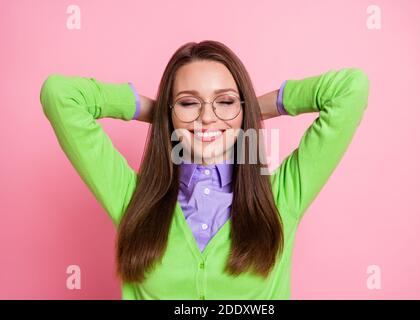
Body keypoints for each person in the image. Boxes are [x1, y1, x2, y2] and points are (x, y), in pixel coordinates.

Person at [39, 40, 370, 300]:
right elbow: (60, 95)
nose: (207, 117)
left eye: (225, 101)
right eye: (187, 102)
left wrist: (254, 109)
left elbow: (350, 89)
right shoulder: (130, 198)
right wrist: (156, 114)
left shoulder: (283, 197)